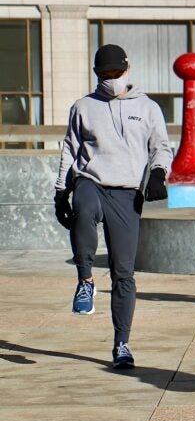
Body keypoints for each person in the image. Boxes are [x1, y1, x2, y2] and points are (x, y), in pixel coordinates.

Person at [53, 44, 173, 369]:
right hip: (90, 180)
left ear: (127, 69)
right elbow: (70, 149)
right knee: (84, 210)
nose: (110, 80)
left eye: (115, 74)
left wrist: (160, 173)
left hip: (126, 192)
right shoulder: (83, 107)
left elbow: (161, 146)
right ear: (96, 75)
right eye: (104, 76)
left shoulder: (147, 108)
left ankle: (122, 344)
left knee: (124, 273)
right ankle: (85, 281)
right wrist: (61, 191)